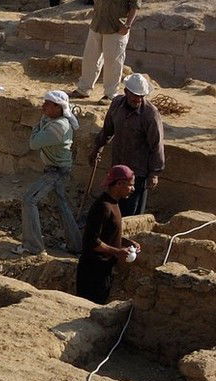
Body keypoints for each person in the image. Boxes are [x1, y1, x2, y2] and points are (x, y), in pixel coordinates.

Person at [16, 91, 83, 256]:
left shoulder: (59, 126)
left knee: (29, 200)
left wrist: (37, 127)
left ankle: (33, 246)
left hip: (56, 172)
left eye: (47, 103)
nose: (43, 106)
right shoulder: (55, 120)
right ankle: (76, 245)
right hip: (57, 170)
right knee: (62, 206)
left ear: (57, 107)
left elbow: (34, 143)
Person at [92, 74, 164, 217]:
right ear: (126, 92)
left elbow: (157, 145)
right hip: (118, 169)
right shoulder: (117, 104)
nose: (138, 99)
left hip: (137, 173)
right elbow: (107, 130)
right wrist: (97, 149)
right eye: (135, 95)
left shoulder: (150, 114)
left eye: (141, 96)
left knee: (132, 214)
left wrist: (154, 173)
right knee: (113, 210)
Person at [74, 0, 142, 101]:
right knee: (90, 58)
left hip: (116, 27)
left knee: (113, 62)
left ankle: (110, 94)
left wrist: (128, 25)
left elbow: (135, 5)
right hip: (98, 23)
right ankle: (84, 89)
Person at [75, 165, 141, 304]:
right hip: (93, 272)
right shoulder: (103, 207)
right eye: (130, 185)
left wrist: (127, 242)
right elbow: (92, 241)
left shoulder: (114, 204)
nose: (133, 189)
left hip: (104, 269)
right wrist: (118, 252)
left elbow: (108, 233)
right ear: (119, 184)